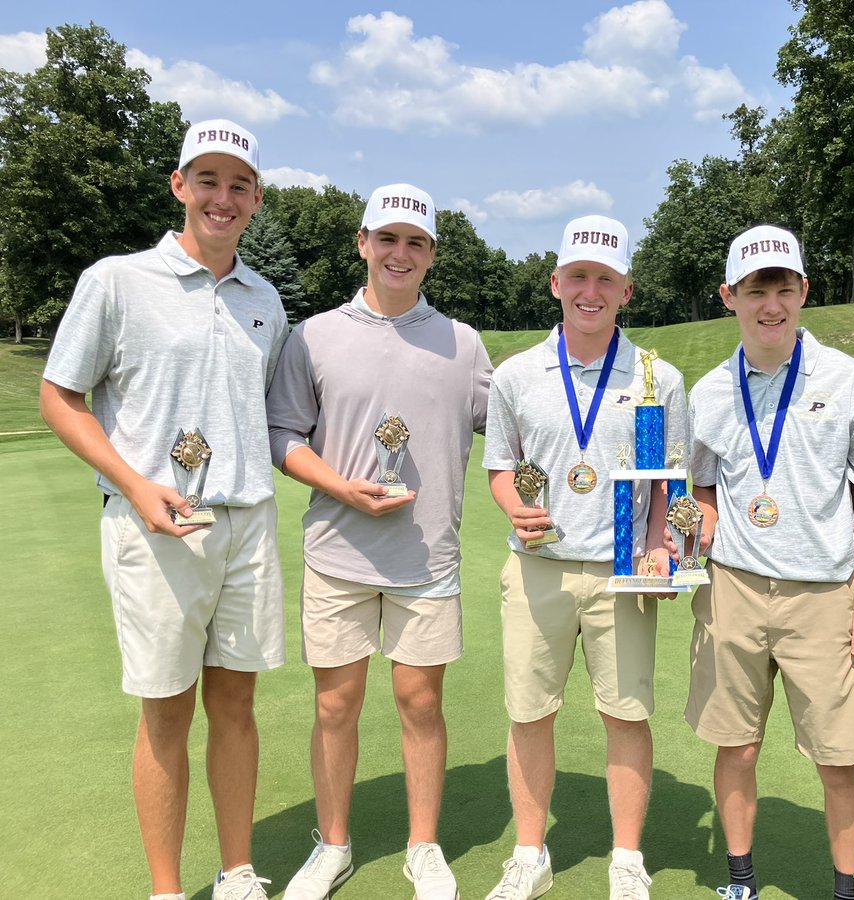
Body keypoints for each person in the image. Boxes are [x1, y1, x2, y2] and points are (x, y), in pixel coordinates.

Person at [40, 119, 287, 900]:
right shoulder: (116, 281)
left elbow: (258, 412)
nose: (223, 197)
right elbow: (60, 397)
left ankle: (238, 871)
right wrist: (135, 483)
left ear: (256, 199)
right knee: (167, 713)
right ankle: (166, 890)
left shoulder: (265, 299)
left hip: (247, 523)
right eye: (207, 180)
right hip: (155, 525)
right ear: (180, 185)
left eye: (239, 184)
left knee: (237, 705)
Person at [266, 183, 491, 900]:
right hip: (338, 553)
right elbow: (283, 434)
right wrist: (340, 486)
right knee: (336, 705)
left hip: (428, 556)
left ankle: (423, 846)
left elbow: (515, 431)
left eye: (415, 242)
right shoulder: (313, 335)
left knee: (421, 703)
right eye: (387, 238)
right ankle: (332, 845)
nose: (400, 253)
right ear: (362, 243)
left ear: (432, 254)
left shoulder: (463, 342)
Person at [681, 226, 854, 900]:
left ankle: (846, 891)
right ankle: (740, 880)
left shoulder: (850, 381)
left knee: (838, 757)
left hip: (823, 595)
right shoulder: (709, 391)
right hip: (734, 589)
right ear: (729, 297)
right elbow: (702, 485)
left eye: (783, 288)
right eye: (755, 290)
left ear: (804, 291)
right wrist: (701, 526)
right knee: (736, 745)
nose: (770, 305)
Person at [481, 214, 686, 900]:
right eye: (578, 276)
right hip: (537, 567)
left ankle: (626, 858)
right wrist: (513, 507)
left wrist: (658, 544)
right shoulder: (516, 374)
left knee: (626, 716)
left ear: (627, 289)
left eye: (605, 278)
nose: (589, 291)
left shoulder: (658, 377)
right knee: (529, 714)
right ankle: (529, 853)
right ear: (555, 283)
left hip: (622, 573)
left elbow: (666, 481)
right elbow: (501, 466)